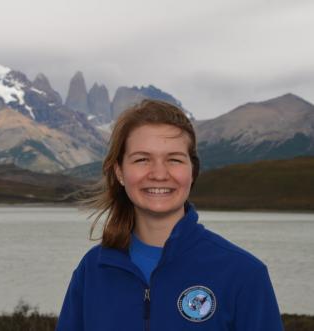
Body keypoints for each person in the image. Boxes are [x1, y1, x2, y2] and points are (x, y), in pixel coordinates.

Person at [55, 100, 283, 331]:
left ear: (192, 172)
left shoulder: (243, 273)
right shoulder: (93, 270)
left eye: (174, 159)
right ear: (120, 173)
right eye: (142, 159)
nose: (159, 174)